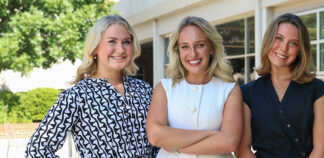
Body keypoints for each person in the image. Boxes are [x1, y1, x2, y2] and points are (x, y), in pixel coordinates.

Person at [25, 14, 158, 157]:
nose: (120, 49)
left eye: (126, 42)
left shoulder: (144, 89)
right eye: (112, 41)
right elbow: (37, 149)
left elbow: (159, 145)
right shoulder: (77, 95)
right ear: (95, 48)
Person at [237, 13, 324, 158]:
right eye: (279, 38)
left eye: (293, 43)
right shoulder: (246, 93)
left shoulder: (318, 91)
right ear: (269, 40)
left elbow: (323, 150)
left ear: (300, 50)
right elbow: (242, 149)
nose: (284, 48)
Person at [146, 16, 243, 158]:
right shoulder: (164, 88)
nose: (192, 53)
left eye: (200, 45)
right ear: (178, 51)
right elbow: (155, 135)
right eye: (185, 46)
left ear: (212, 48)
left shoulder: (229, 90)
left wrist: (177, 147)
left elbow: (229, 142)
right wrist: (209, 134)